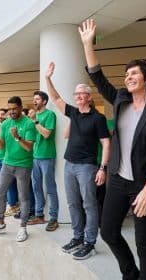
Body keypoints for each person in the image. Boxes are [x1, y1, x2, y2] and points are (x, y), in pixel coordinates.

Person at [80, 19, 146, 278]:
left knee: (145, 244)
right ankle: (130, 274)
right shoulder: (121, 99)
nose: (128, 77)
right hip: (118, 180)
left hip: (144, 184)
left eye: (134, 74)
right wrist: (88, 44)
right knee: (108, 231)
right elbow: (98, 77)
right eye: (126, 74)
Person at [45, 60, 110, 259]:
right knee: (73, 203)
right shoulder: (73, 112)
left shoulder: (98, 119)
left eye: (83, 93)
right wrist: (47, 78)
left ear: (89, 98)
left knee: (89, 205)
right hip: (70, 165)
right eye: (76, 94)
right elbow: (55, 97)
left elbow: (106, 144)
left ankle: (90, 242)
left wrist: (102, 169)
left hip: (87, 167)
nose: (79, 96)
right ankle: (77, 237)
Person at [0, 96, 36, 243]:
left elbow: (29, 147)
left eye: (14, 109)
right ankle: (0, 223)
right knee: (0, 192)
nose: (11, 111)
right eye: (9, 109)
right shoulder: (6, 124)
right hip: (7, 163)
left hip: (23, 165)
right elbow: (0, 147)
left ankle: (23, 227)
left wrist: (17, 137)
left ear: (20, 107)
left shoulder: (29, 124)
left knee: (23, 196)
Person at [27, 90, 59, 231]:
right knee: (36, 187)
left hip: (47, 156)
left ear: (44, 101)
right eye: (34, 99)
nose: (34, 101)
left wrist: (34, 121)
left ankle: (53, 218)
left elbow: (46, 134)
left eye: (37, 99)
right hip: (34, 157)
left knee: (50, 187)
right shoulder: (33, 117)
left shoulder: (50, 115)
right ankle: (39, 215)